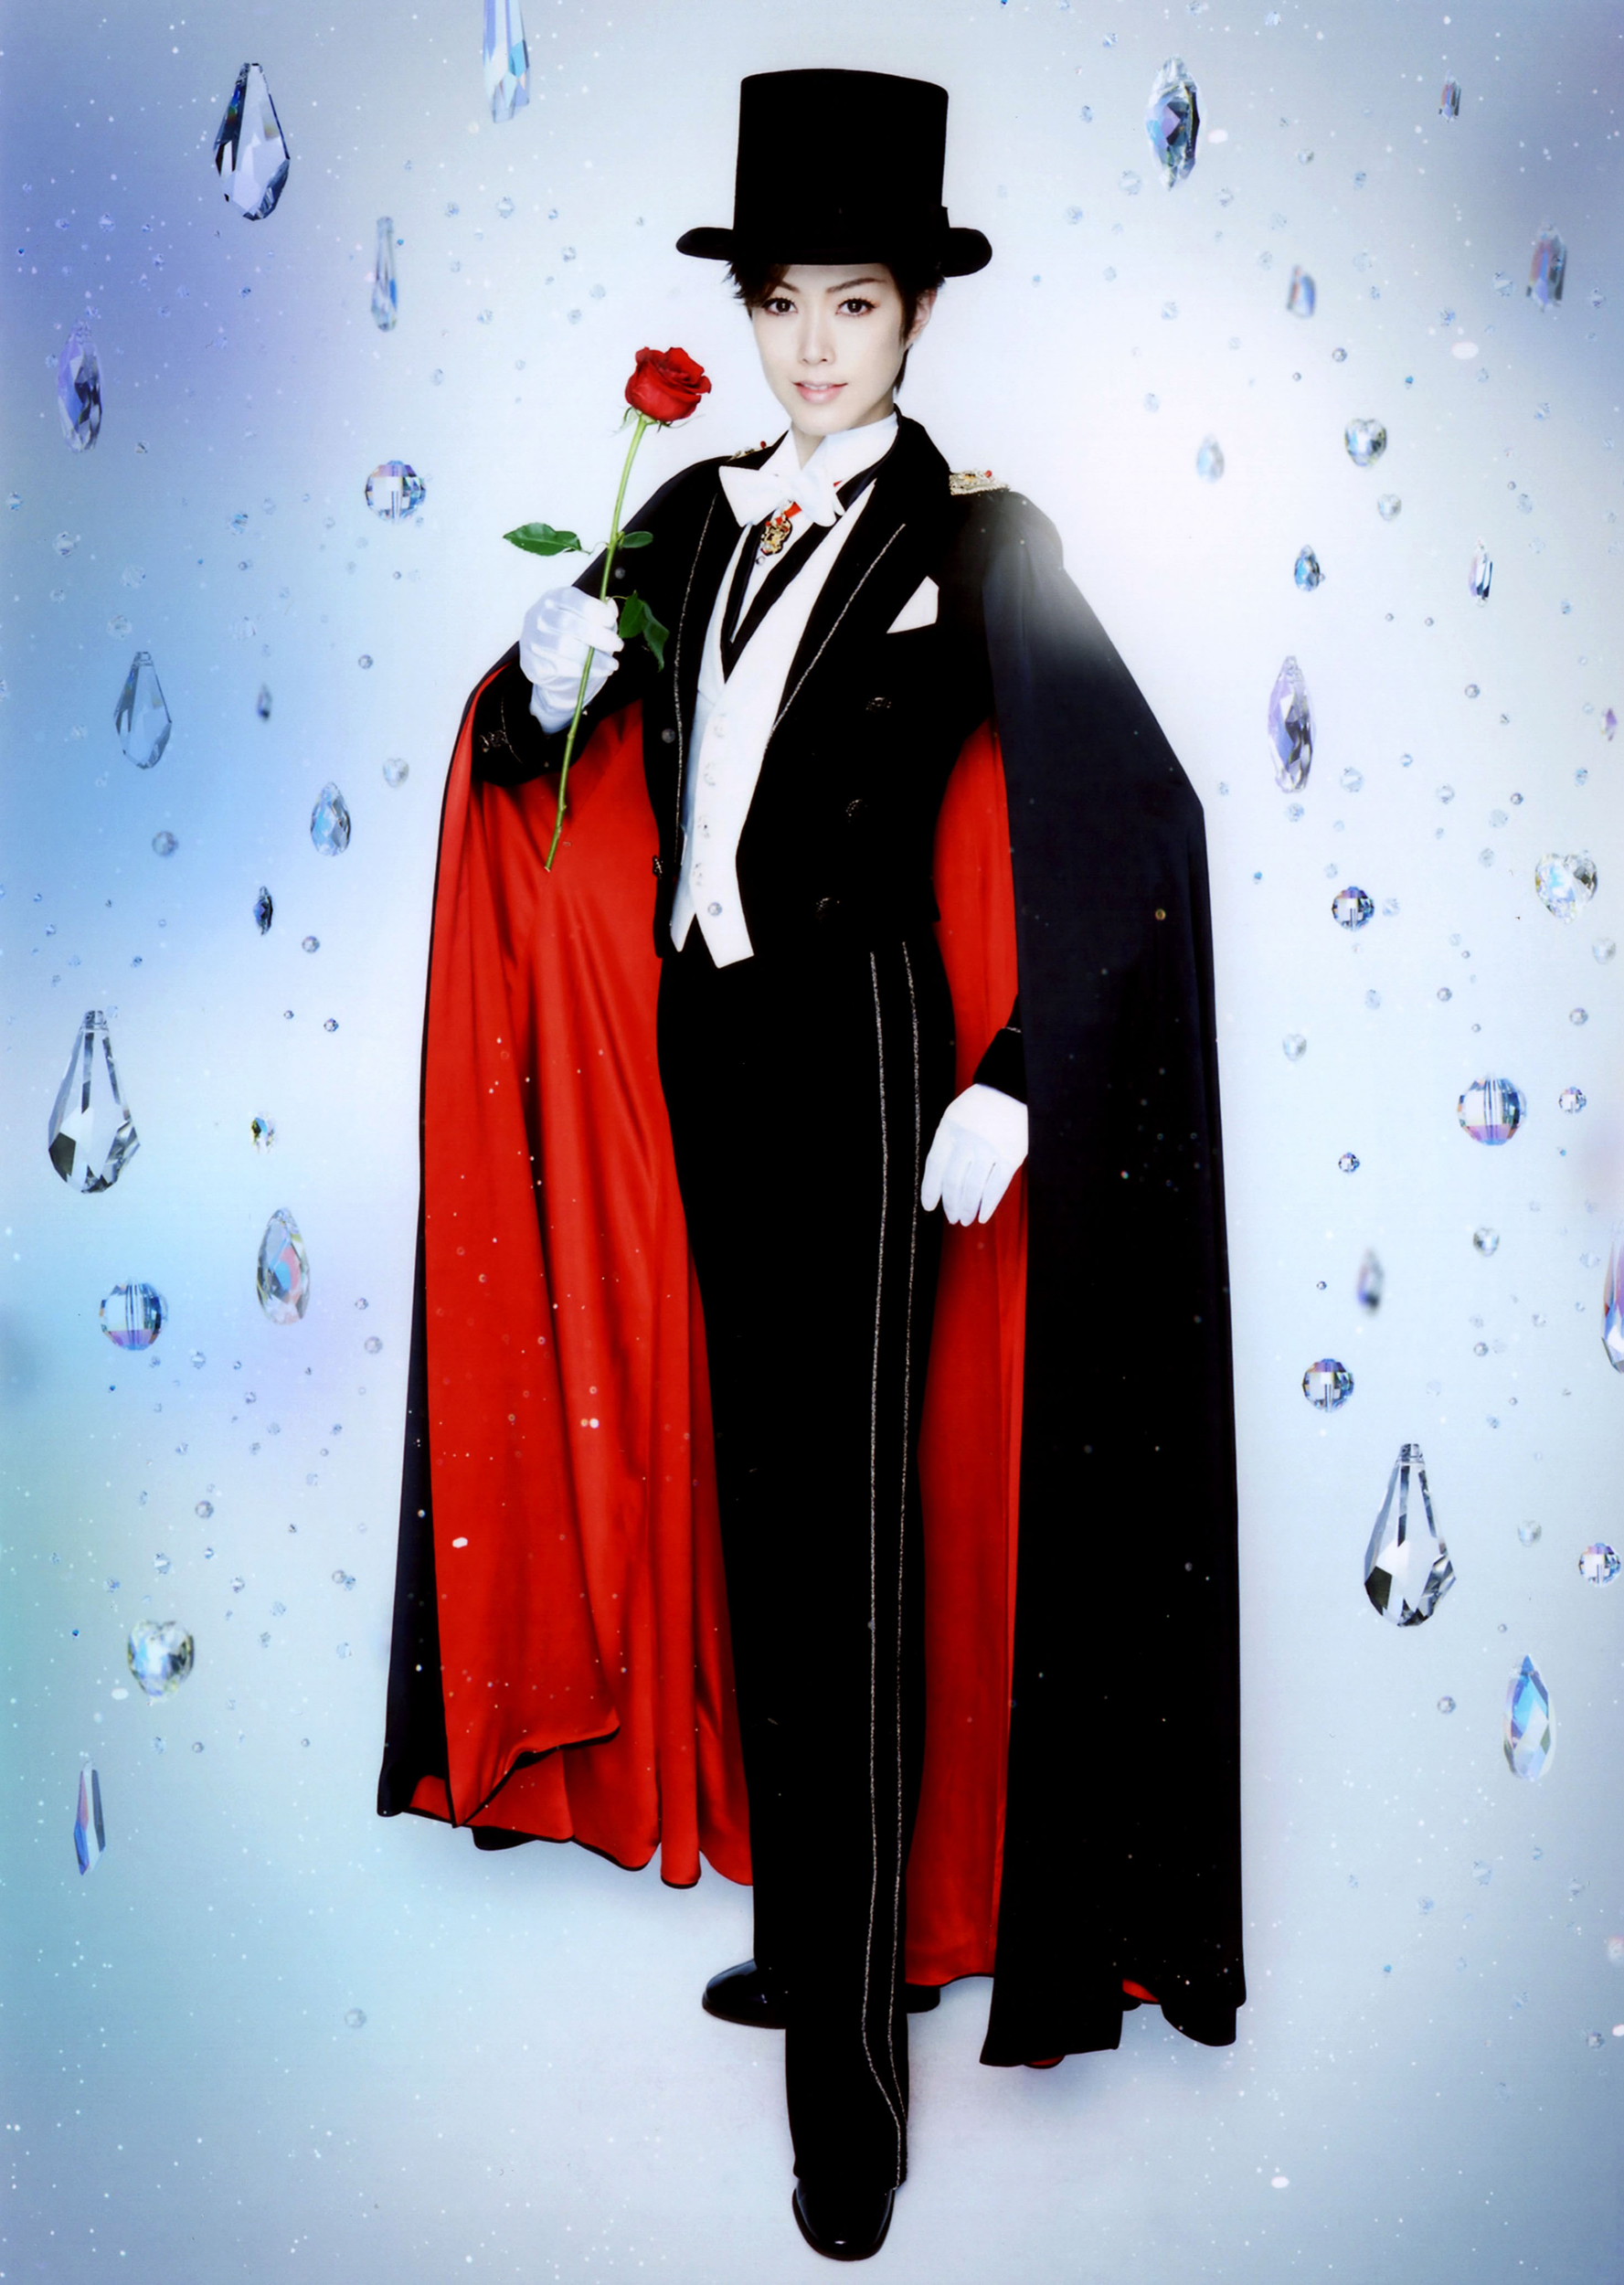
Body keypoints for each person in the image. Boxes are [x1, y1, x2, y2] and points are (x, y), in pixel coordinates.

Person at [380, 68, 1244, 2265]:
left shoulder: (978, 542)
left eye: (852, 304)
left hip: (867, 1067)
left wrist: (1019, 1069)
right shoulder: (686, 516)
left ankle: (844, 2099)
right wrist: (536, 680)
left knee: (850, 1540)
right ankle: (824, 1930)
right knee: (749, 1512)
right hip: (689, 1052)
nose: (811, 346)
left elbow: (1132, 818)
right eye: (780, 304)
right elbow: (536, 747)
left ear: (917, 315)